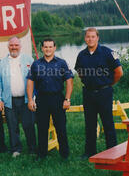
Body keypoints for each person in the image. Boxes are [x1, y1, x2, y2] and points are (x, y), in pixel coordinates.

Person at [75, 27, 123, 159]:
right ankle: (89, 152)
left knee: (108, 123)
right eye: (88, 37)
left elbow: (119, 72)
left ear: (98, 38)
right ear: (85, 38)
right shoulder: (81, 55)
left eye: (93, 36)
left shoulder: (108, 52)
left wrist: (107, 84)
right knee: (89, 124)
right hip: (88, 94)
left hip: (104, 93)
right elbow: (79, 72)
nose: (90, 39)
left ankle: (113, 152)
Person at [27, 38, 73, 160]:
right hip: (42, 99)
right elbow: (30, 82)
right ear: (42, 48)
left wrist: (67, 99)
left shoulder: (62, 63)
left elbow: (69, 82)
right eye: (45, 47)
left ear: (54, 48)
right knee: (42, 128)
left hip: (57, 98)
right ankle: (41, 154)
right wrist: (30, 99)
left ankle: (64, 154)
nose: (48, 49)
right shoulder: (36, 64)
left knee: (61, 127)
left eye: (50, 46)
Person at [0, 37, 36, 157]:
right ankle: (16, 149)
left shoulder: (29, 60)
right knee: (12, 126)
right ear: (8, 47)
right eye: (11, 45)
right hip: (9, 100)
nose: (14, 47)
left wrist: (33, 98)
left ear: (20, 46)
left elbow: (35, 80)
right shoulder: (2, 63)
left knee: (28, 125)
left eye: (16, 45)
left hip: (26, 99)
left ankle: (32, 149)